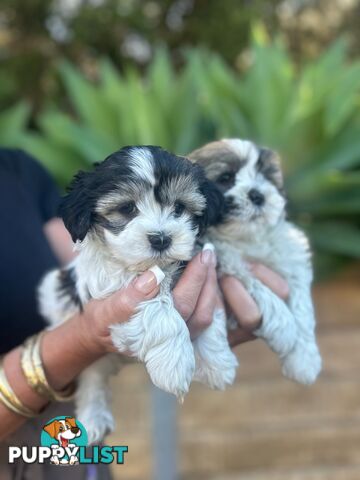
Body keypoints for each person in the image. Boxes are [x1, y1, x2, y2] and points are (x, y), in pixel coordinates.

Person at [0, 149, 289, 478]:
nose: (160, 229)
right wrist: (78, 341)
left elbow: (82, 276)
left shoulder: (16, 168)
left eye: (178, 209)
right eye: (127, 208)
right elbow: (94, 314)